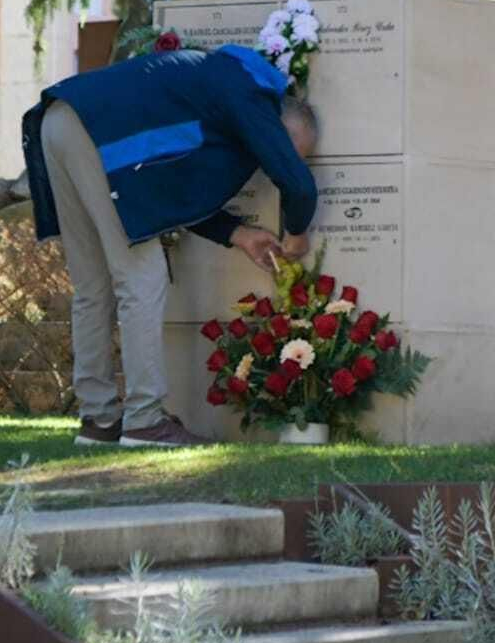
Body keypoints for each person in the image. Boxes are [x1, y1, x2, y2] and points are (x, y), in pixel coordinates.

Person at [22, 44, 320, 448]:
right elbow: (298, 186)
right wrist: (297, 232)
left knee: (92, 288)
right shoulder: (249, 93)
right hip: (96, 133)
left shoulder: (216, 88)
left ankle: (99, 420)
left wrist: (239, 234)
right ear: (280, 126)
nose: (276, 162)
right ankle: (145, 420)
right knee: (142, 279)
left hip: (61, 120)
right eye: (288, 151)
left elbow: (175, 192)